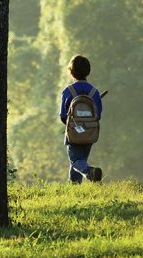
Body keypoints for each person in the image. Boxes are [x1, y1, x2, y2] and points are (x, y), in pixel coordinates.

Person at [59, 55, 103, 183]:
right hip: (90, 133)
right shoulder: (94, 92)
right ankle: (74, 187)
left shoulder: (68, 91)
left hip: (73, 133)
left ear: (71, 72)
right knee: (80, 160)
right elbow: (98, 115)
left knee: (76, 161)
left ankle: (91, 172)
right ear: (88, 71)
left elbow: (63, 115)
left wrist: (73, 126)